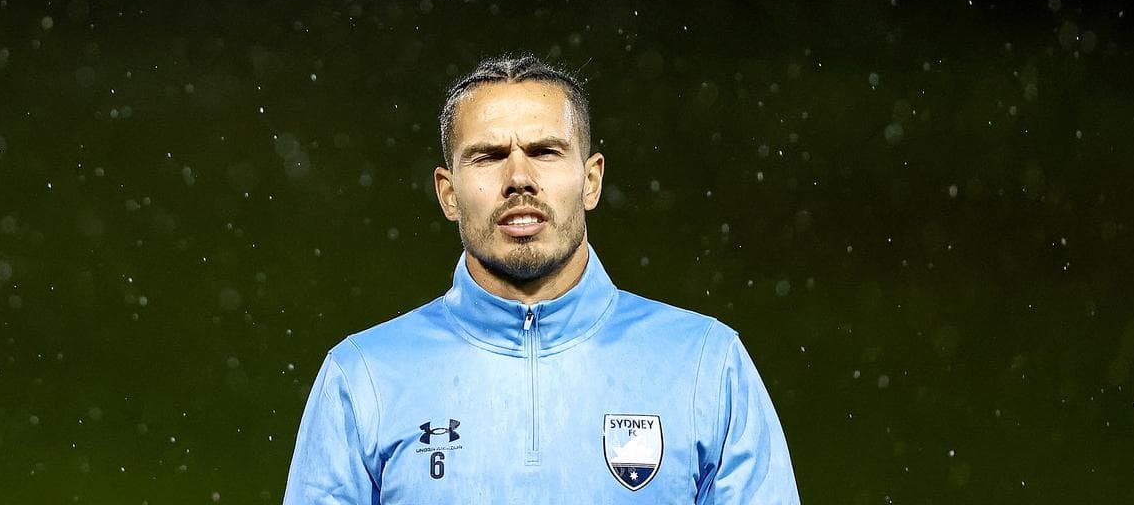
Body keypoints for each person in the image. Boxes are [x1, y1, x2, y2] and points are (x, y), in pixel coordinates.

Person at [283, 54, 799, 504]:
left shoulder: (706, 364)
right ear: (448, 193)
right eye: (487, 156)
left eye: (545, 152)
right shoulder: (364, 378)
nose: (518, 179)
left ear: (591, 180)